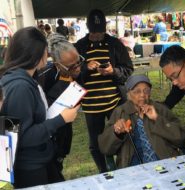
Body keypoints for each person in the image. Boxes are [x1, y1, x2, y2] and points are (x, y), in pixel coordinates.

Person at [0, 27, 80, 188]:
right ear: (36, 55)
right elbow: (23, 137)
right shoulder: (20, 87)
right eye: (46, 50)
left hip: (38, 161)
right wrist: (61, 119)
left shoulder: (24, 78)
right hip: (31, 168)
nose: (48, 54)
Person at [75, 9, 133, 173]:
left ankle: (124, 168)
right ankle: (104, 172)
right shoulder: (79, 46)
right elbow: (73, 76)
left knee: (123, 136)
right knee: (95, 144)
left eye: (100, 32)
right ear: (88, 29)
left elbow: (128, 69)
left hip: (115, 102)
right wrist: (85, 68)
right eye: (94, 33)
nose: (97, 36)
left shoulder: (115, 44)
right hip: (91, 106)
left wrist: (113, 71)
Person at [98, 75, 185, 168]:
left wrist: (157, 119)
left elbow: (181, 138)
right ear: (128, 93)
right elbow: (105, 148)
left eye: (146, 91)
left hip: (166, 164)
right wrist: (116, 132)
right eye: (137, 91)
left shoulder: (160, 109)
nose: (142, 95)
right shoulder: (120, 112)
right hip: (134, 169)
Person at [37, 33, 84, 181]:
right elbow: (44, 110)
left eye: (79, 62)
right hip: (48, 139)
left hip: (63, 135)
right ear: (57, 64)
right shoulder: (44, 77)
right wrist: (63, 84)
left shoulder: (79, 71)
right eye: (71, 66)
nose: (77, 68)